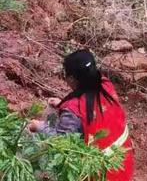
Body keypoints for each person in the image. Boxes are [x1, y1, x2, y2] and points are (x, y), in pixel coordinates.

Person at [28, 50, 134, 181]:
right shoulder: (105, 85)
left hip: (100, 174)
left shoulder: (73, 112)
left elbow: (63, 142)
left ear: (71, 78)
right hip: (123, 165)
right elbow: (94, 109)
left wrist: (39, 126)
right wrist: (63, 103)